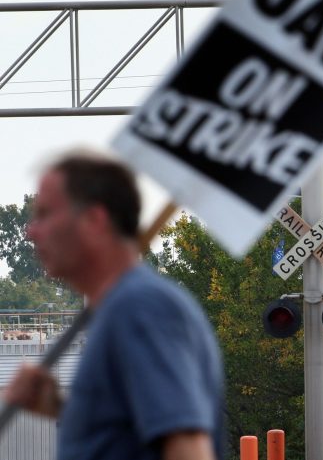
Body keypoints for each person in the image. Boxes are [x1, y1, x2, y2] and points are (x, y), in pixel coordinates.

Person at [4, 150, 224, 460]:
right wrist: (64, 409)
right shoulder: (122, 307)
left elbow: (188, 449)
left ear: (94, 220)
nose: (30, 231)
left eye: (44, 214)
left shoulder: (140, 307)